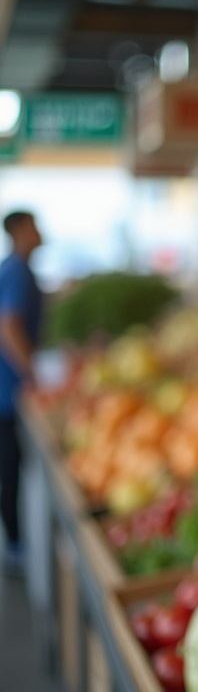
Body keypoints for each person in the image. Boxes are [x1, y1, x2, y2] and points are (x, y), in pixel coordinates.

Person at [0, 210, 43, 572]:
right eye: (33, 226)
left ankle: (15, 542)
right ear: (18, 231)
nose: (40, 232)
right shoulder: (17, 271)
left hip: (8, 388)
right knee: (9, 467)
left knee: (10, 467)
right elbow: (9, 326)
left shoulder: (15, 270)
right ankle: (15, 545)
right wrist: (33, 373)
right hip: (7, 392)